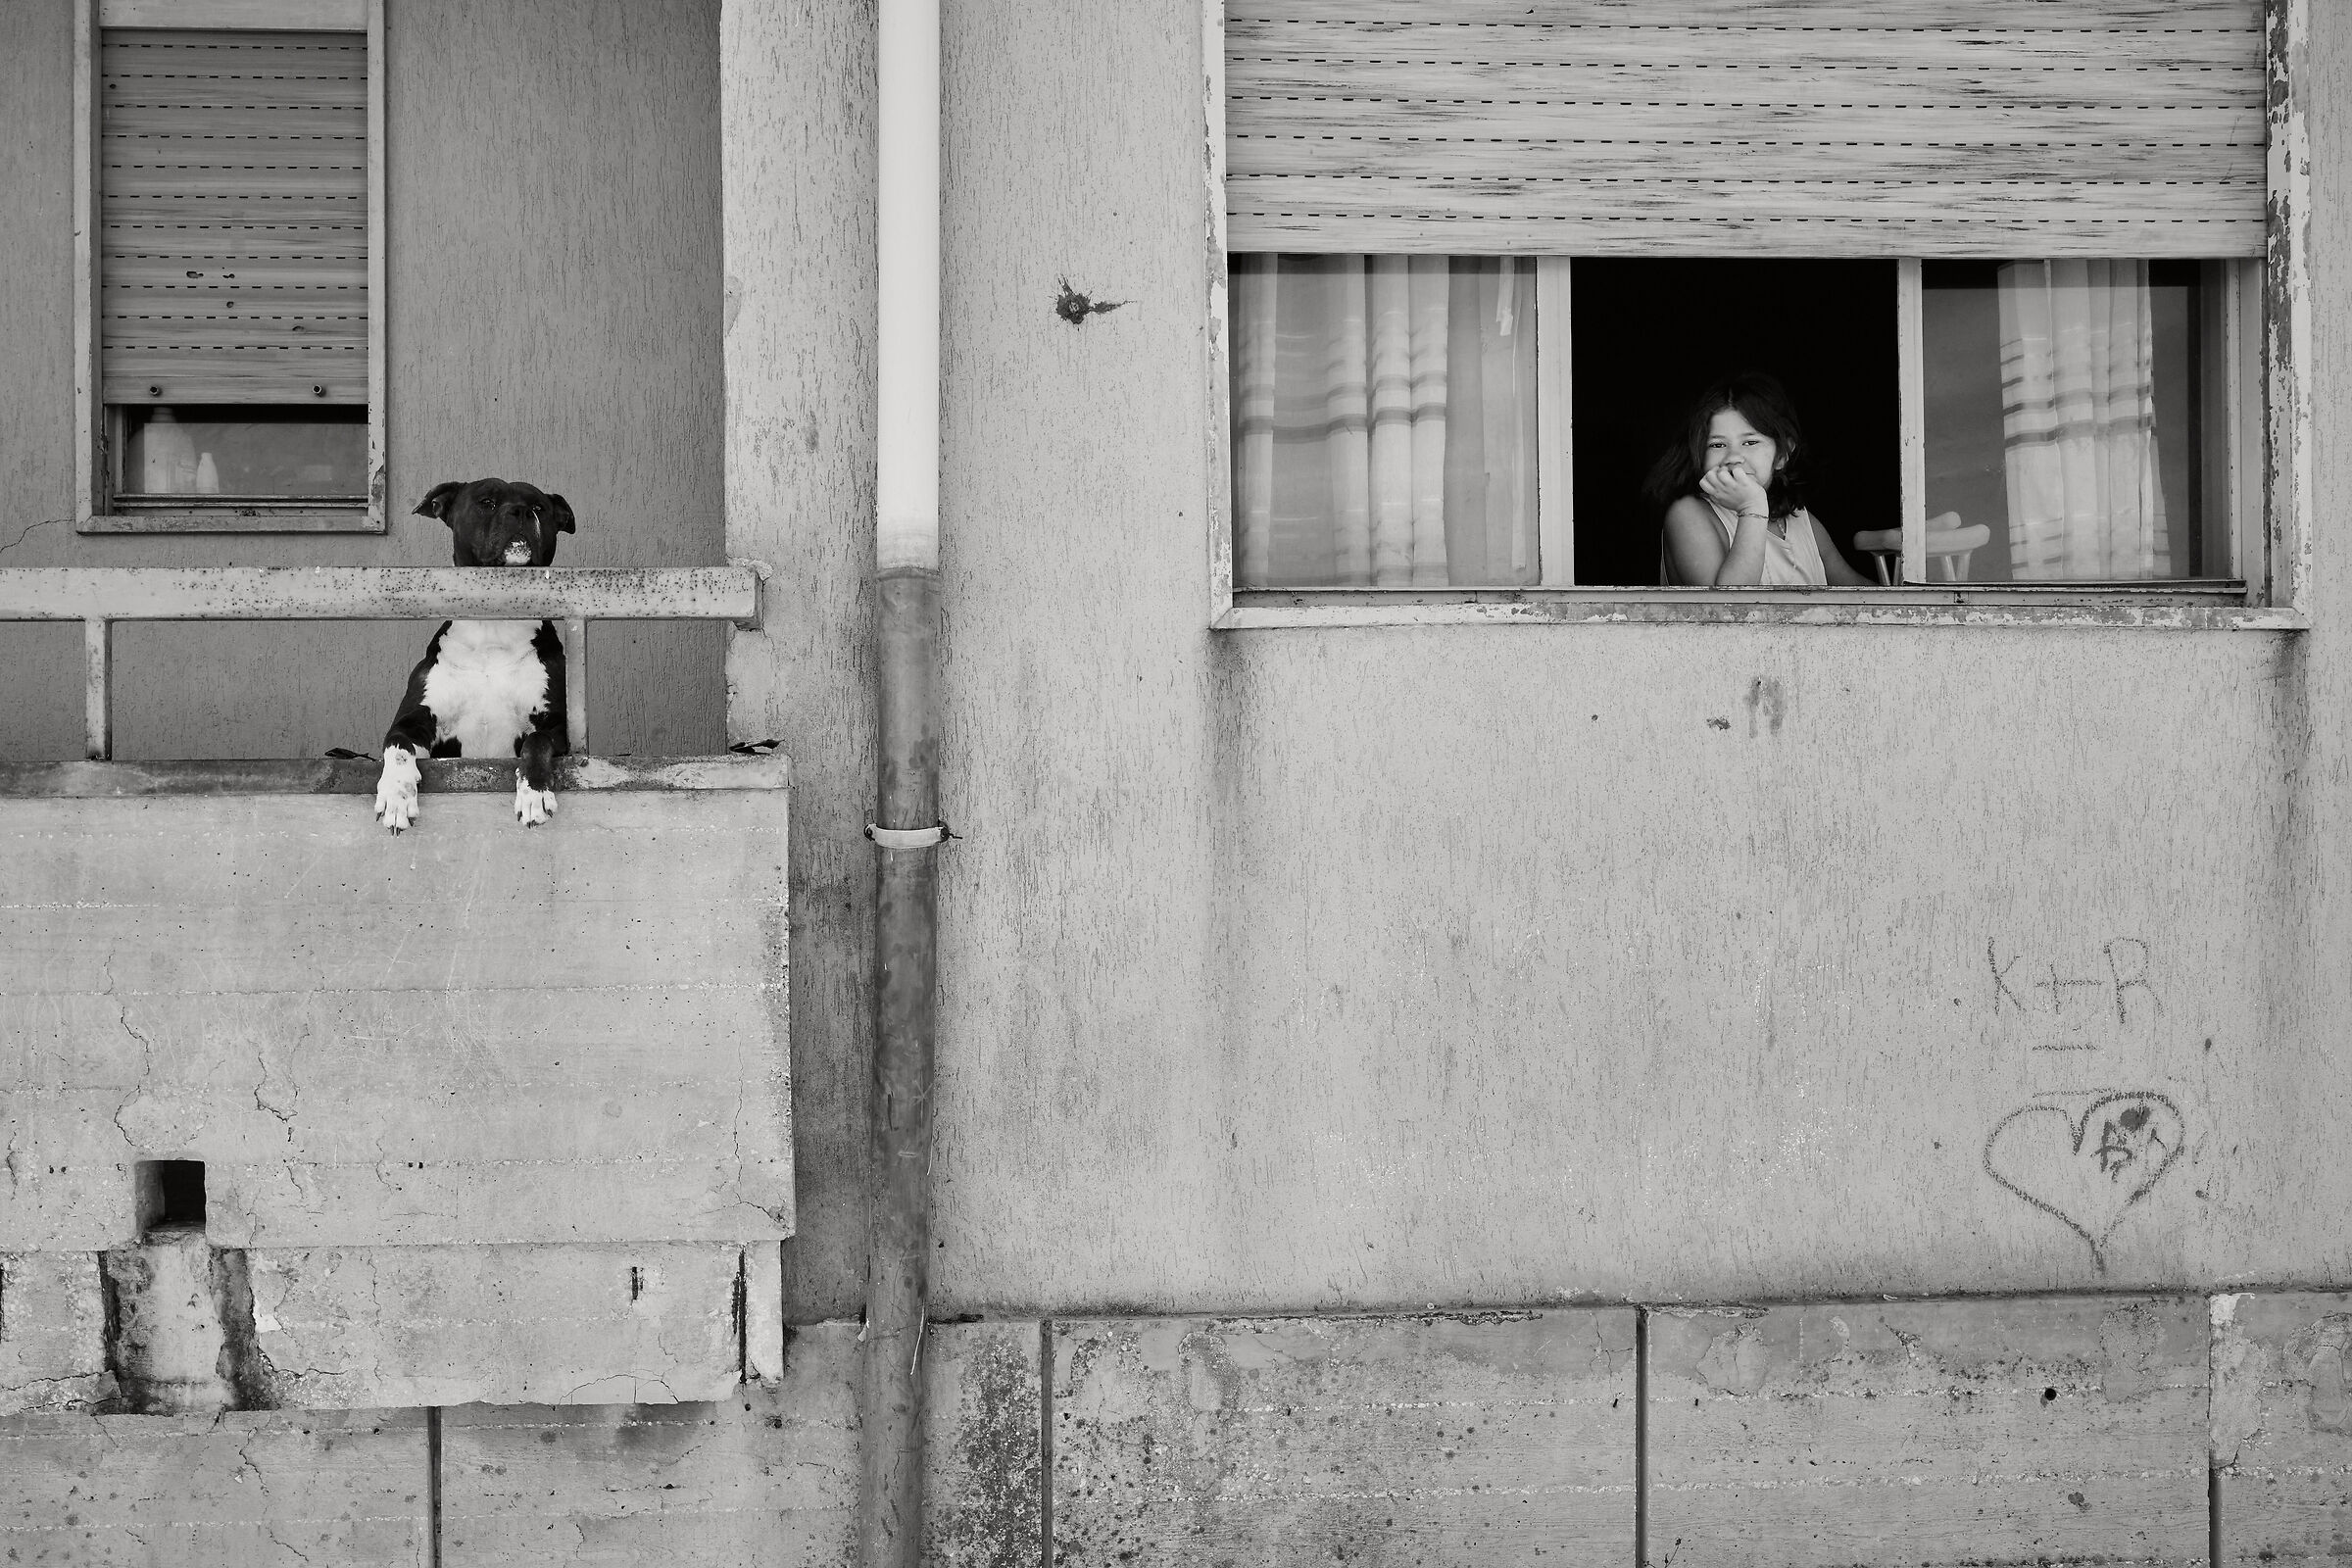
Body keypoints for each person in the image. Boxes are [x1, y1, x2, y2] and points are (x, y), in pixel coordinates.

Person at [1648, 372, 1872, 588]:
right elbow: (1727, 609)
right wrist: (1751, 507)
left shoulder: (1800, 519)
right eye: (1717, 445)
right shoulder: (1688, 514)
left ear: (1782, 456)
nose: (1733, 457)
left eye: (1750, 443)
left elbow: (1859, 592)